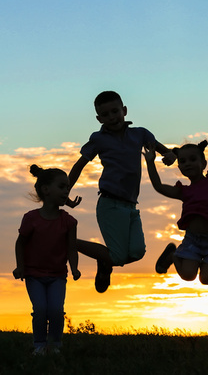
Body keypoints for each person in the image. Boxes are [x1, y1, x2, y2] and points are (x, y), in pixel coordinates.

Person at [67, 90, 176, 293]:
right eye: (106, 114)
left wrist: (170, 156)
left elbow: (165, 151)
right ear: (99, 118)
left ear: (124, 110)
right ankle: (69, 241)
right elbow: (79, 164)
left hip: (131, 205)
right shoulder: (98, 139)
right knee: (117, 257)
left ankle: (103, 260)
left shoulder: (140, 134)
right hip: (110, 203)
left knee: (137, 252)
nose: (112, 117)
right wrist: (66, 190)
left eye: (115, 111)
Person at [143, 107, 208, 287]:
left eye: (192, 160)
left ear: (203, 163)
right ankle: (173, 254)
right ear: (179, 167)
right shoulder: (184, 192)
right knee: (188, 276)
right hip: (193, 239)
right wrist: (150, 163)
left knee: (206, 280)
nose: (187, 164)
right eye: (183, 161)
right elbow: (158, 187)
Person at [13, 165, 81, 355]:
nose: (66, 190)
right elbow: (20, 243)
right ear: (46, 190)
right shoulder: (31, 218)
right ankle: (40, 345)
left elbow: (71, 248)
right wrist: (20, 266)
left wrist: (74, 268)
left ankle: (56, 345)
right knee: (41, 309)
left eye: (67, 187)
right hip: (33, 275)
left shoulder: (69, 221)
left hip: (57, 276)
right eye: (62, 187)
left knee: (57, 311)